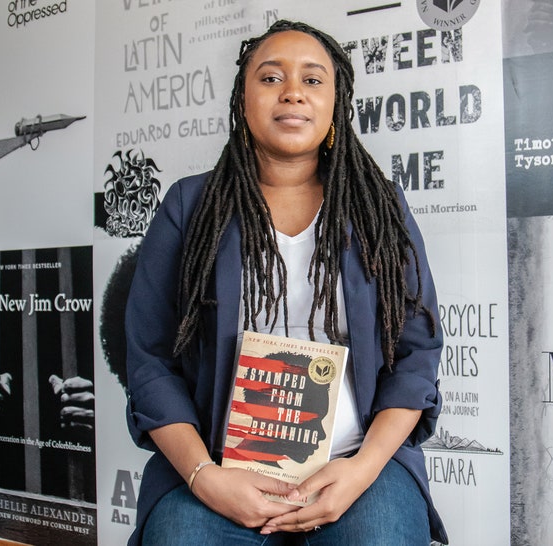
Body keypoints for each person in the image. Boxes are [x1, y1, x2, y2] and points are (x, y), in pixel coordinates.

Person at [125, 20, 447, 545]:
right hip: (221, 466)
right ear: (242, 101)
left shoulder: (380, 207)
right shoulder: (188, 208)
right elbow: (151, 361)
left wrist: (361, 471)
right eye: (271, 78)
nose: (293, 91)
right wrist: (206, 479)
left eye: (313, 80)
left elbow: (417, 356)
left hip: (354, 464)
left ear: (336, 104)